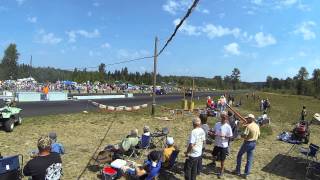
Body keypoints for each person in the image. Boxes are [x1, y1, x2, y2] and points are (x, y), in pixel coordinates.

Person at [234, 114, 260, 178]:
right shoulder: (257, 125)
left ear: (251, 119)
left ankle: (237, 171)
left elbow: (244, 136)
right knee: (249, 158)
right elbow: (259, 135)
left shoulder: (249, 126)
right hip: (254, 143)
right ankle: (246, 173)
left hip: (248, 142)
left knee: (239, 155)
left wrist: (240, 132)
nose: (246, 119)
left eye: (248, 118)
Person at [209, 111, 233, 178]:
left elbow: (231, 137)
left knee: (222, 159)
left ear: (226, 118)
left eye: (224, 117)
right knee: (213, 154)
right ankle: (213, 163)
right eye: (222, 117)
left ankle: (221, 170)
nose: (223, 118)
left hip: (223, 145)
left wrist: (224, 136)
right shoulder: (217, 124)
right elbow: (213, 131)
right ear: (221, 117)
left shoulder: (228, 126)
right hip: (217, 143)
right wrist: (211, 133)